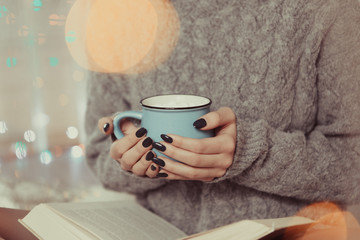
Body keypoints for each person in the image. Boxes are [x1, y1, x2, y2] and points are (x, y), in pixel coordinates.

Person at [1, 0, 360, 239]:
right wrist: (136, 157)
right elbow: (100, 154)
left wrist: (251, 154)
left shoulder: (326, 10)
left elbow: (353, 163)